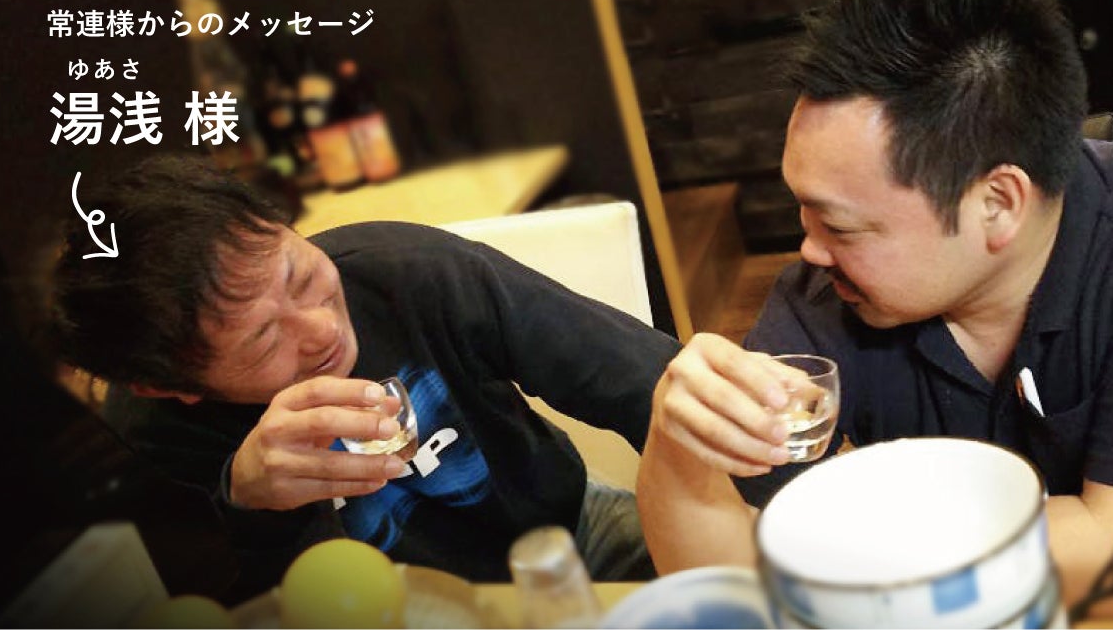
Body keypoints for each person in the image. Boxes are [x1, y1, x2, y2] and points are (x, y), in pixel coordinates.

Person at [636, 0, 1113, 618]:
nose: (809, 249)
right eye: (802, 210)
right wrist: (679, 452)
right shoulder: (826, 296)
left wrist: (843, 541)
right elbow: (733, 577)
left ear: (996, 203)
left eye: (840, 224)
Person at [50, 154, 680, 597]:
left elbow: (641, 381)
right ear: (172, 387)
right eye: (264, 339)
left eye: (301, 275)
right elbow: (227, 601)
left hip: (569, 537)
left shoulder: (406, 272)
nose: (322, 329)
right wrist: (251, 505)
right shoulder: (149, 443)